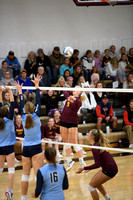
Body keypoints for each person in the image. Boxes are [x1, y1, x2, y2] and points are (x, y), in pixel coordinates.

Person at [15, 75, 44, 200]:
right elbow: (38, 100)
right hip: (36, 147)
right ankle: (39, 196)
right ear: (34, 109)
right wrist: (36, 85)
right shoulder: (36, 115)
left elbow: (21, 102)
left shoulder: (23, 115)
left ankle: (23, 198)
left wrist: (19, 91)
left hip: (25, 148)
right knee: (38, 175)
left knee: (25, 176)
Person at [76, 129, 118, 200]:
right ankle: (108, 198)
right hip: (110, 168)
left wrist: (84, 168)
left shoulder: (95, 147)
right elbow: (99, 162)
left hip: (110, 169)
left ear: (92, 137)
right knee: (95, 183)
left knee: (91, 186)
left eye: (89, 134)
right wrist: (89, 168)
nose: (87, 135)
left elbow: (97, 164)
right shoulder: (97, 144)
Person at [60, 86, 86, 171]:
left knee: (74, 142)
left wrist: (73, 98)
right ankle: (69, 161)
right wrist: (68, 88)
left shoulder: (78, 101)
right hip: (63, 120)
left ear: (79, 92)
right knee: (65, 142)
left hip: (72, 122)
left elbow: (79, 103)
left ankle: (82, 161)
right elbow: (64, 90)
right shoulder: (68, 96)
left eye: (77, 88)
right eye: (74, 88)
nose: (75, 89)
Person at [0, 86, 16, 200]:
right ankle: (9, 191)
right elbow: (13, 103)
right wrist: (10, 91)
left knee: (0, 169)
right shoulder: (10, 119)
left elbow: (1, 105)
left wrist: (1, 92)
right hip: (9, 147)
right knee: (11, 170)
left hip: (0, 148)